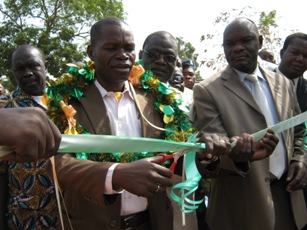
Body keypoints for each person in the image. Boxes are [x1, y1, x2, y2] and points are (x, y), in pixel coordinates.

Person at [193, 17, 307, 230]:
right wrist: (237, 156)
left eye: (246, 41)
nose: (237, 48)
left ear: (260, 42)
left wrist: (300, 159)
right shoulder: (207, 91)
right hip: (242, 208)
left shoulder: (283, 83)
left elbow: (298, 131)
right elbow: (214, 152)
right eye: (230, 44)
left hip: (290, 200)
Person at [0, 44, 59, 229]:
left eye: (33, 66)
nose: (27, 73)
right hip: (27, 214)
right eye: (20, 69)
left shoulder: (65, 99)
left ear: (45, 65)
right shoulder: (4, 108)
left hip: (68, 211)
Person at [277, 32, 307, 230]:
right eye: (295, 52)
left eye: (306, 56)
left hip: (300, 182)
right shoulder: (257, 85)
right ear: (282, 53)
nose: (300, 59)